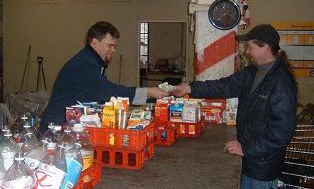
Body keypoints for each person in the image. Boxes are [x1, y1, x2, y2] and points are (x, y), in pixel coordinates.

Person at [172, 24, 297, 189]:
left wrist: (246, 148)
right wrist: (189, 88)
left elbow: (281, 131)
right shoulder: (252, 71)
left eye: (250, 47)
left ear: (265, 48)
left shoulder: (282, 82)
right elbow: (224, 86)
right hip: (251, 159)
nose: (246, 52)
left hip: (263, 165)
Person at [40, 21, 169, 133]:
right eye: (110, 45)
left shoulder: (92, 62)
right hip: (57, 127)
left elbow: (100, 92)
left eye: (115, 46)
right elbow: (109, 92)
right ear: (94, 42)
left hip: (69, 122)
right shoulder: (84, 65)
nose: (113, 50)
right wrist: (149, 92)